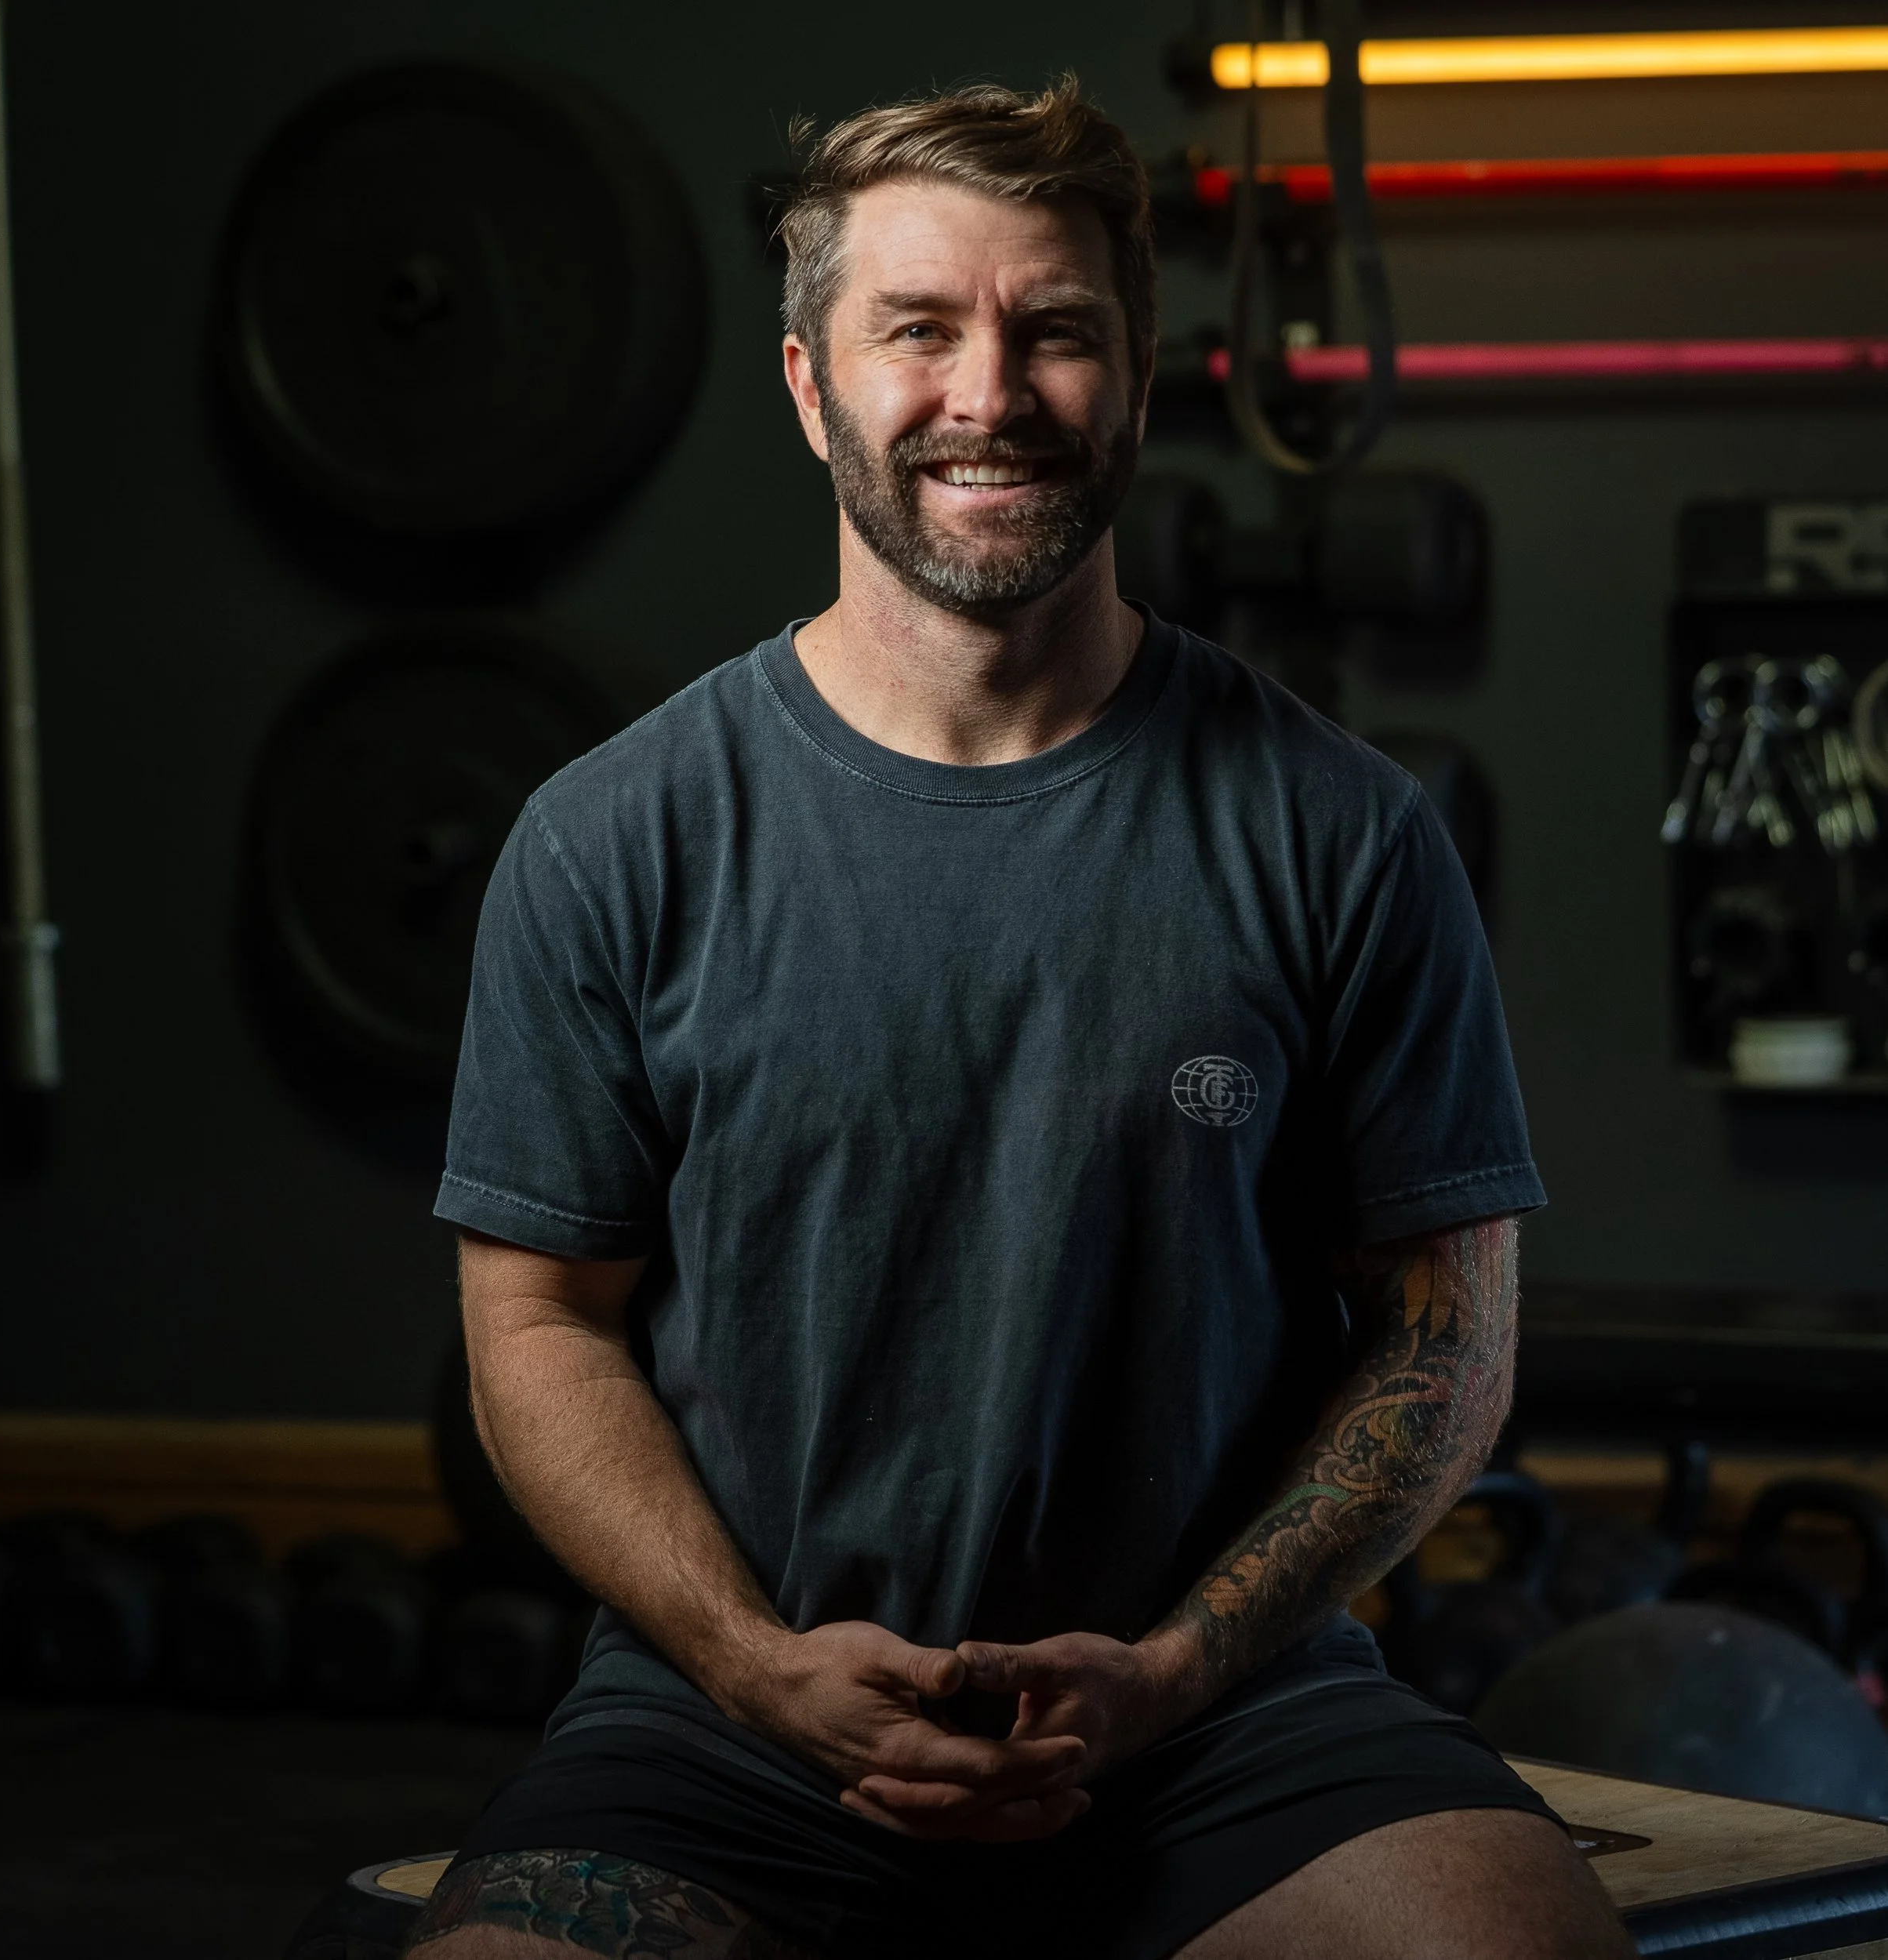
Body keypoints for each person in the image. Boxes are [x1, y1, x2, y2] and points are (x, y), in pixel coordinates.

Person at [413, 78, 1633, 1960]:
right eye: (917, 329)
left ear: (1134, 373)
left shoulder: (1340, 832)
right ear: (811, 385)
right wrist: (750, 1661)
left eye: (1052, 329)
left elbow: (1442, 1330)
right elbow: (535, 1323)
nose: (987, 395)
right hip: (734, 1727)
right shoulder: (611, 841)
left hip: (1221, 1718)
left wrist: (1177, 1663)